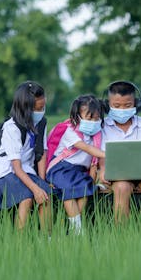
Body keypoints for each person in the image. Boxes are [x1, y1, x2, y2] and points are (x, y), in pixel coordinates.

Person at [0, 81, 52, 231]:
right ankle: (21, 242)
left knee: (46, 194)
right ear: (25, 108)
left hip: (26, 168)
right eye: (38, 109)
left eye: (43, 107)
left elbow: (41, 152)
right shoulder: (11, 127)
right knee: (25, 196)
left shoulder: (41, 123)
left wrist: (41, 182)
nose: (41, 112)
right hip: (5, 170)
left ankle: (48, 239)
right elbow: (16, 167)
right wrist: (34, 188)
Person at [97, 80, 141, 222]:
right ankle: (121, 234)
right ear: (107, 105)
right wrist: (103, 170)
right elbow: (101, 155)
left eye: (127, 105)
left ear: (136, 104)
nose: (122, 109)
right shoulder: (102, 127)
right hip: (118, 178)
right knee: (122, 187)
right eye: (116, 106)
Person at [46, 95, 105, 234]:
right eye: (89, 118)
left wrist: (92, 179)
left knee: (86, 188)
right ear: (77, 117)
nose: (94, 122)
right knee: (69, 190)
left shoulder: (96, 136)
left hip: (79, 172)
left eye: (97, 118)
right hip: (61, 167)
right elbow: (87, 149)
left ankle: (73, 224)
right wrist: (107, 154)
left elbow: (92, 163)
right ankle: (77, 228)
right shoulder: (70, 131)